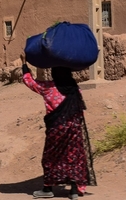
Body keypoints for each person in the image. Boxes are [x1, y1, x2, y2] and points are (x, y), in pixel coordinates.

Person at [22, 63, 96, 199]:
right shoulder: (75, 88)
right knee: (73, 158)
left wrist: (25, 70)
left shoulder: (48, 87)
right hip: (74, 129)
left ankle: (47, 188)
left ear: (54, 74)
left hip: (56, 129)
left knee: (50, 158)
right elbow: (80, 108)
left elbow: (31, 83)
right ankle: (74, 190)